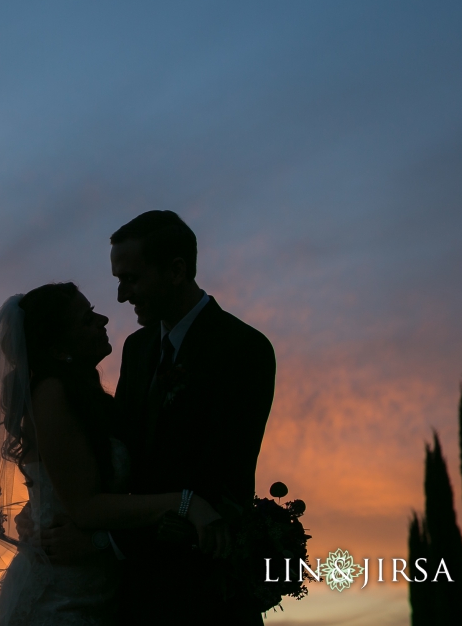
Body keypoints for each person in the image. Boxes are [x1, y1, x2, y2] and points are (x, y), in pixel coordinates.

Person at [40, 211, 277, 626]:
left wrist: (103, 541)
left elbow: (220, 482)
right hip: (135, 597)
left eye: (130, 279)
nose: (120, 296)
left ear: (176, 270)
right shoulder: (137, 348)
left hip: (202, 597)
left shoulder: (244, 349)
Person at [0, 283, 226, 626]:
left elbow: (67, 479)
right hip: (62, 598)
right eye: (87, 319)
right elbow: (85, 505)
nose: (103, 319)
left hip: (96, 588)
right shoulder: (52, 394)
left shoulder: (84, 396)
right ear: (59, 348)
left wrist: (37, 509)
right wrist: (184, 502)